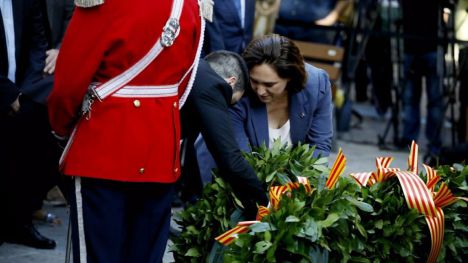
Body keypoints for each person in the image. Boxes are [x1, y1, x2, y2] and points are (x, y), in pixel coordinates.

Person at [47, 0, 204, 262]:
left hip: (104, 144)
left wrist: (60, 128)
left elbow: (68, 82)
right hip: (160, 145)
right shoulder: (190, 3)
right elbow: (185, 80)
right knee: (145, 253)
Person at [179, 51, 268, 215]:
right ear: (231, 82)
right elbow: (229, 157)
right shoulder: (213, 87)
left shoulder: (194, 69)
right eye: (229, 103)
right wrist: (265, 202)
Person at [0, 0, 57, 249]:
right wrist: (7, 94)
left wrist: (25, 94)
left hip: (23, 91)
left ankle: (20, 223)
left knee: (29, 154)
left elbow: (38, 43)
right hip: (4, 90)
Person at [230, 34, 333, 155]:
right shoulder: (238, 92)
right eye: (255, 81)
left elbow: (319, 146)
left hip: (298, 173)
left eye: (269, 84)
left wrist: (302, 175)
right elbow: (240, 156)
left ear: (290, 78)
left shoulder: (317, 84)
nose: (260, 91)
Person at [399, 0, 444, 158]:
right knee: (415, 98)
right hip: (415, 46)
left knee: (430, 99)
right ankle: (418, 140)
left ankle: (431, 141)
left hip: (427, 46)